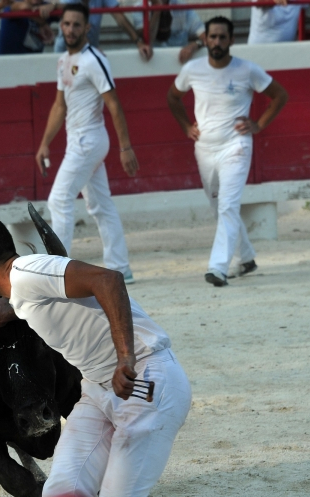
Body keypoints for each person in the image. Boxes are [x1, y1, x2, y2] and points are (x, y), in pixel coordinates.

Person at [0, 216, 202, 497]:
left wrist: (126, 355)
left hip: (143, 378)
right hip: (99, 390)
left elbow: (108, 280)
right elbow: (50, 296)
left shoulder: (28, 273)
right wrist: (10, 310)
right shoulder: (24, 285)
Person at [167, 16, 288, 287]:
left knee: (228, 206)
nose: (218, 42)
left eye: (223, 37)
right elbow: (172, 97)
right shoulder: (192, 69)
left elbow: (280, 95)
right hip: (205, 149)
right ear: (206, 39)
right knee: (218, 207)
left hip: (236, 145)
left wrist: (258, 124)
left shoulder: (247, 69)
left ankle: (217, 267)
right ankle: (246, 257)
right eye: (213, 37)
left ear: (232, 40)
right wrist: (186, 125)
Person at [36, 3, 138, 284]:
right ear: (61, 26)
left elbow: (114, 104)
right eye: (66, 24)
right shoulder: (62, 61)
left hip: (89, 139)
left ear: (87, 28)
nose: (70, 29)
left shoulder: (94, 60)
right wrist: (45, 143)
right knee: (100, 205)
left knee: (59, 199)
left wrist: (126, 147)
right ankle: (121, 267)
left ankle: (59, 269)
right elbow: (59, 106)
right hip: (78, 140)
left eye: (76, 25)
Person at [53, 0, 153, 60]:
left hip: (90, 52)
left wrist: (139, 43)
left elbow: (119, 17)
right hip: (66, 51)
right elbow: (73, 25)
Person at [131, 0, 205, 64]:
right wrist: (157, 9)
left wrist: (193, 45)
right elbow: (147, 41)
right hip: (152, 64)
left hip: (181, 63)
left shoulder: (181, 6)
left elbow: (206, 36)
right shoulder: (140, 7)